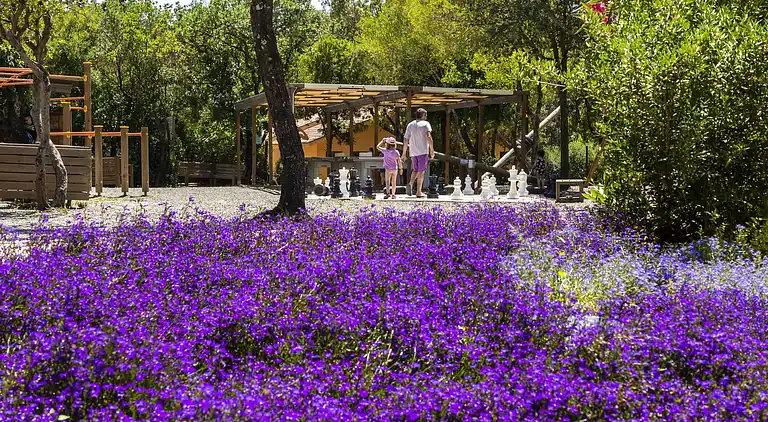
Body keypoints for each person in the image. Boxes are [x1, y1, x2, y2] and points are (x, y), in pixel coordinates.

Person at [402, 108, 434, 197]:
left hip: (413, 151)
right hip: (423, 151)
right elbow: (428, 137)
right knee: (421, 171)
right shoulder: (425, 124)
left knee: (415, 170)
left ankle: (411, 183)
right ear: (423, 115)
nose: (426, 116)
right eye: (426, 115)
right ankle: (419, 192)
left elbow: (405, 139)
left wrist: (404, 154)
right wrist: (432, 149)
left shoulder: (410, 125)